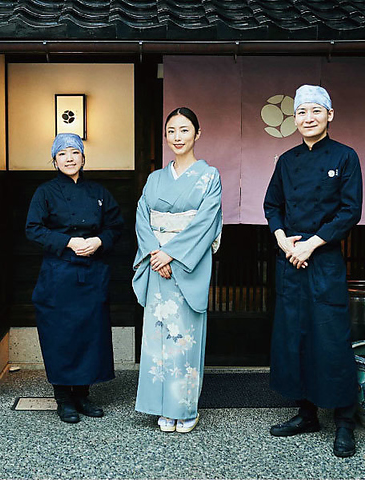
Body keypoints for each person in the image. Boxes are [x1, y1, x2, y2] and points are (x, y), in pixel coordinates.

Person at [264, 85, 363, 458]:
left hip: (324, 260)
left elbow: (349, 211)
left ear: (330, 116)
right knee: (297, 335)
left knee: (331, 339)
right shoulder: (286, 160)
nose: (308, 118)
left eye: (316, 112)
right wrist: (285, 241)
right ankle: (306, 414)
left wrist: (311, 244)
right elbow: (272, 205)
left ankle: (344, 421)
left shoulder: (345, 156)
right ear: (295, 119)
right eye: (302, 112)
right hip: (291, 260)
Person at [133, 107, 222, 433]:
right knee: (157, 340)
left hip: (185, 267)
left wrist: (170, 254)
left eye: (184, 130)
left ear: (197, 134)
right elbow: (143, 217)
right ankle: (161, 406)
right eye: (171, 131)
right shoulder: (155, 178)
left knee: (184, 338)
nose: (177, 137)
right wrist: (156, 254)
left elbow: (205, 222)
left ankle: (184, 408)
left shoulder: (210, 176)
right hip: (158, 266)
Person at [25, 133, 124, 424]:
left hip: (92, 272)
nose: (69, 158)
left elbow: (115, 226)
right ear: (54, 160)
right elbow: (33, 229)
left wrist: (99, 241)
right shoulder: (44, 192)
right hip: (59, 272)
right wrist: (67, 241)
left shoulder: (99, 192)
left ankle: (83, 394)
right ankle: (63, 397)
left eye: (74, 153)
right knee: (60, 334)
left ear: (83, 157)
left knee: (89, 333)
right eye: (62, 154)